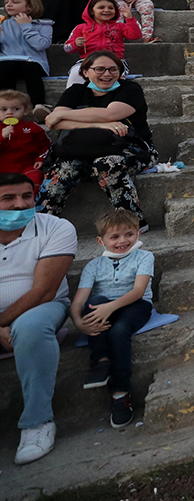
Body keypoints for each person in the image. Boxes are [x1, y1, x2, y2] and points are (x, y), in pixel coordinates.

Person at [0, 173, 76, 464]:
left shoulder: (55, 228)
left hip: (42, 308)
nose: (21, 205)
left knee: (30, 328)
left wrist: (2, 322)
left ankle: (37, 423)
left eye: (27, 196)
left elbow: (44, 291)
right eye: (8, 198)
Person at [39, 50, 157, 224]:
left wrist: (69, 116)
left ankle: (134, 222)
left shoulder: (131, 89)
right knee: (63, 167)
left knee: (106, 164)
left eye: (113, 69)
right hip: (82, 149)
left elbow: (111, 113)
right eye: (100, 69)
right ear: (86, 72)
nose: (107, 74)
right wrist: (100, 124)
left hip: (130, 148)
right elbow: (53, 122)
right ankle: (42, 222)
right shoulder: (76, 91)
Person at [69, 210, 153, 428]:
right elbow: (79, 300)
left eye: (129, 234)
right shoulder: (93, 266)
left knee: (118, 330)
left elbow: (138, 291)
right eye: (115, 237)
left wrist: (111, 307)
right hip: (104, 307)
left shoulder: (144, 257)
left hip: (136, 305)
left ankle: (120, 394)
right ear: (101, 241)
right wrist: (78, 321)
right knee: (94, 301)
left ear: (138, 234)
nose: (123, 241)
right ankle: (101, 362)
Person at [0, 0, 53, 106]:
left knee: (30, 69)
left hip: (33, 60)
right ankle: (5, 105)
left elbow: (41, 45)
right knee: (6, 68)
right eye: (6, 2)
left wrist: (26, 26)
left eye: (15, 2)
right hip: (7, 59)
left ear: (29, 7)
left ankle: (39, 105)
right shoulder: (2, 24)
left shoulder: (43, 25)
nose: (8, 5)